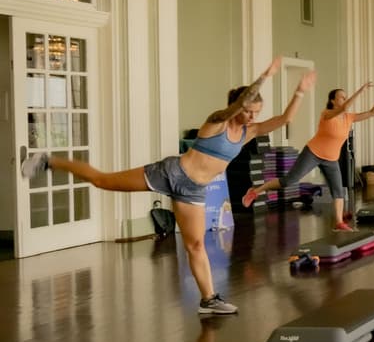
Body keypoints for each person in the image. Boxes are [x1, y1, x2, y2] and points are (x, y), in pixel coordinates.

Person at [20, 56, 314, 314]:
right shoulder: (217, 121)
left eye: (256, 112)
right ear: (236, 107)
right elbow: (237, 104)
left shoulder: (250, 132)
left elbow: (286, 118)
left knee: (196, 244)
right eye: (249, 110)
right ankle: (50, 161)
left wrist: (300, 91)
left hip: (193, 190)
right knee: (101, 180)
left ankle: (209, 299)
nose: (252, 116)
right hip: (171, 173)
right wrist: (264, 77)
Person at [243, 81, 374, 230]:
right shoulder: (327, 114)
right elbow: (345, 106)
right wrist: (361, 91)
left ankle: (339, 222)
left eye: (345, 96)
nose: (344, 99)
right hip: (313, 153)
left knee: (338, 190)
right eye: (341, 97)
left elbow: (372, 113)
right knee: (289, 181)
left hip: (331, 159)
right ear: (332, 101)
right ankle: (255, 191)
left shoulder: (349, 117)